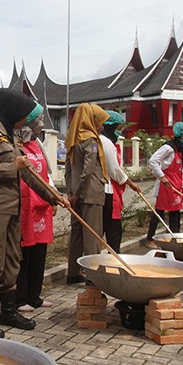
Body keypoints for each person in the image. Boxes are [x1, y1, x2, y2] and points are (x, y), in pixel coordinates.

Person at [0, 89, 68, 338]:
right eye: (24, 115)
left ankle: (8, 311)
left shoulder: (12, 138)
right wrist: (12, 166)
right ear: (12, 111)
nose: (27, 120)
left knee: (12, 260)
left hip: (13, 210)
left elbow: (29, 175)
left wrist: (54, 197)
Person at [14, 113, 55, 312]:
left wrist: (53, 197)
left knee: (40, 251)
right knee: (25, 252)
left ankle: (34, 295)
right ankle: (21, 298)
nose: (41, 123)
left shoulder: (38, 144)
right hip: (26, 204)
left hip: (42, 206)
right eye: (37, 119)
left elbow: (47, 173)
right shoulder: (15, 144)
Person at [65, 103, 109, 284]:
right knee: (92, 235)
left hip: (75, 193)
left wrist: (71, 192)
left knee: (76, 234)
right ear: (92, 120)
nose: (102, 126)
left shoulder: (72, 139)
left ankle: (73, 273)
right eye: (100, 122)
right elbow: (88, 170)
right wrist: (79, 193)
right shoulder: (91, 141)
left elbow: (68, 170)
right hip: (89, 194)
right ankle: (92, 276)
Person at [146, 122, 183, 247]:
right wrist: (162, 176)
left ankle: (174, 237)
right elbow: (153, 161)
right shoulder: (168, 148)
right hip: (165, 185)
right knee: (159, 212)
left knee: (175, 212)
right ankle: (150, 239)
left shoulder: (181, 149)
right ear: (180, 135)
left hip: (176, 184)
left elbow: (180, 169)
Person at [100, 110, 140, 252]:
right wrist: (130, 183)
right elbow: (114, 170)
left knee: (111, 228)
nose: (120, 132)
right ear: (109, 126)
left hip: (115, 189)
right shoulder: (105, 143)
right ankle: (113, 258)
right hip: (109, 190)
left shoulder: (110, 143)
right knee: (113, 229)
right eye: (118, 128)